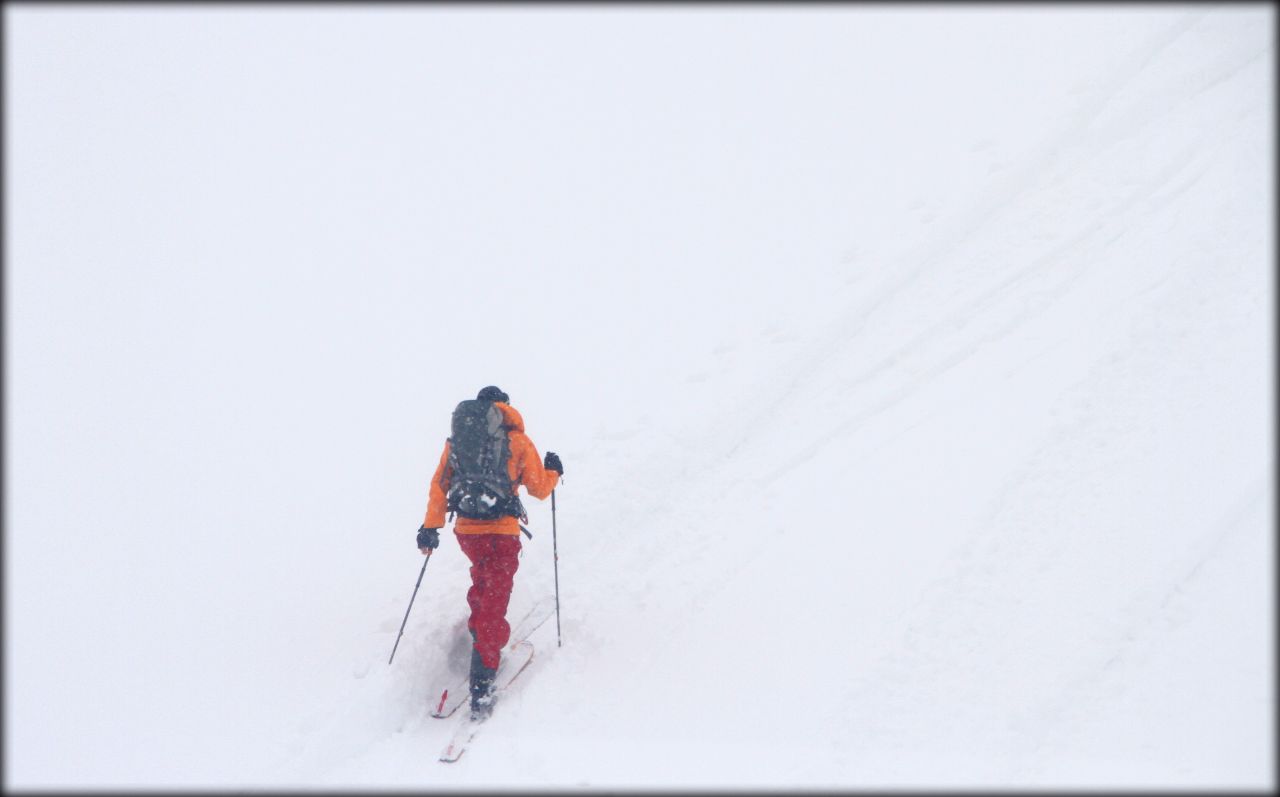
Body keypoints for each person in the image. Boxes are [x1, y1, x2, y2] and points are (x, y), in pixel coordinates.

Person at [417, 385, 562, 721]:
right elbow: (540, 488)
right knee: (495, 599)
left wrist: (430, 527)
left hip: (467, 532)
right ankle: (483, 682)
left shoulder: (457, 443)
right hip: (502, 533)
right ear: (504, 408)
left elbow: (439, 486)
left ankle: (480, 635)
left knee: (483, 583)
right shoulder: (517, 441)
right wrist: (554, 471)